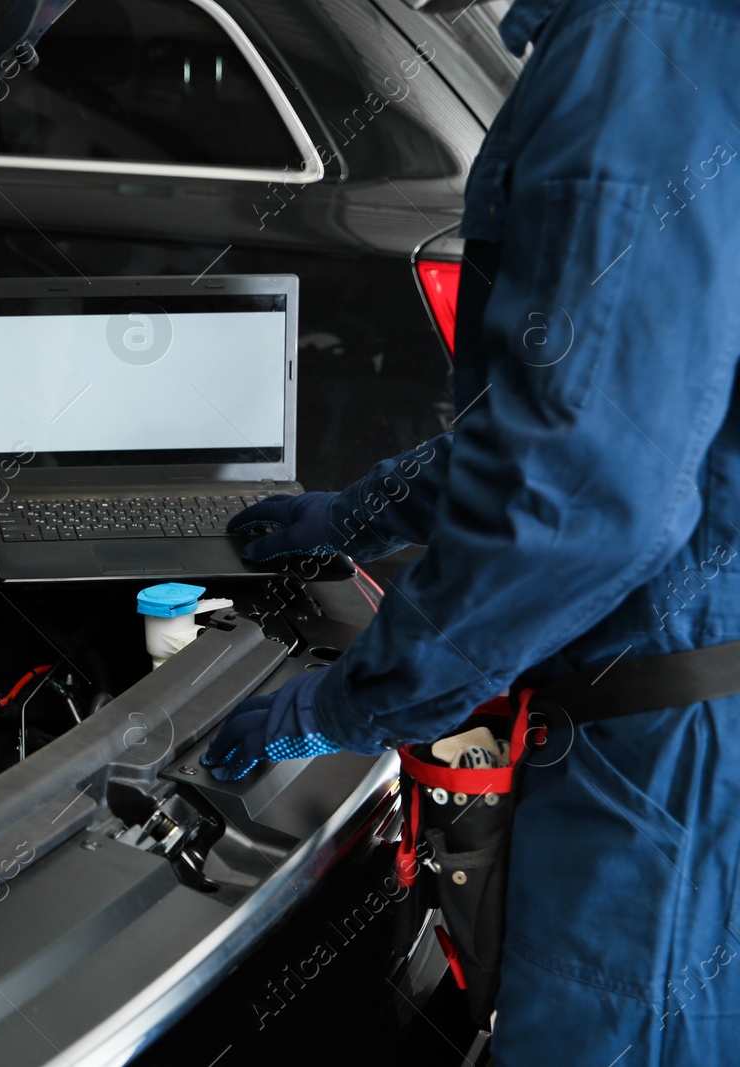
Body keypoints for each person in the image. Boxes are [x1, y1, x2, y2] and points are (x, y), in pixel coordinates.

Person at [201, 0, 740, 1062]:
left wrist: (343, 704)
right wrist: (356, 513)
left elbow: (590, 494)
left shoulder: (630, 52)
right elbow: (588, 415)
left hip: (667, 747)